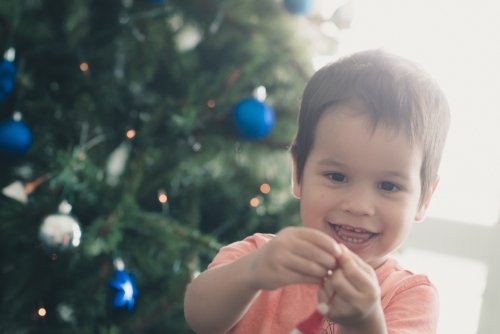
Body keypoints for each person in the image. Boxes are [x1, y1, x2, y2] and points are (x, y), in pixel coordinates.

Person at [184, 49, 451, 334]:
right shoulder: (260, 255)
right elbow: (199, 318)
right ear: (298, 172)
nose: (359, 206)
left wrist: (363, 321)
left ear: (424, 198)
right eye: (337, 176)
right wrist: (252, 273)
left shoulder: (409, 295)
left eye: (389, 186)